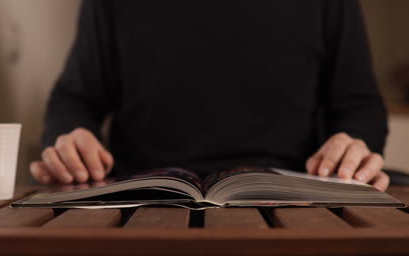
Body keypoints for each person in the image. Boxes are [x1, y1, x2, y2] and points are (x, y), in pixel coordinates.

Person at [30, 0, 390, 191]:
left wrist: (354, 142)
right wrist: (71, 135)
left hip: (290, 194)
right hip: (145, 194)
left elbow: (359, 105)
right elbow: (74, 99)